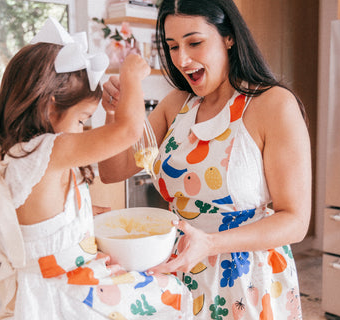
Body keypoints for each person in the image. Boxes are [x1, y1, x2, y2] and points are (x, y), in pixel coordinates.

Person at [0, 18, 193, 320]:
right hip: (62, 294)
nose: (82, 129)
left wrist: (79, 215)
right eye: (82, 118)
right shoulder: (45, 149)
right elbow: (129, 132)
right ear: (49, 107)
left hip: (58, 278)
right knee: (172, 293)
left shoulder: (26, 153)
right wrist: (131, 75)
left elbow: (43, 217)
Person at [98, 0, 312, 319]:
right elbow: (113, 171)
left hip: (245, 281)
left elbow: (295, 220)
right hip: (180, 269)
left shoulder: (273, 105)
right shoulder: (177, 104)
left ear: (229, 37)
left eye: (194, 42)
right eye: (172, 46)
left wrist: (210, 244)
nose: (182, 59)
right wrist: (114, 113)